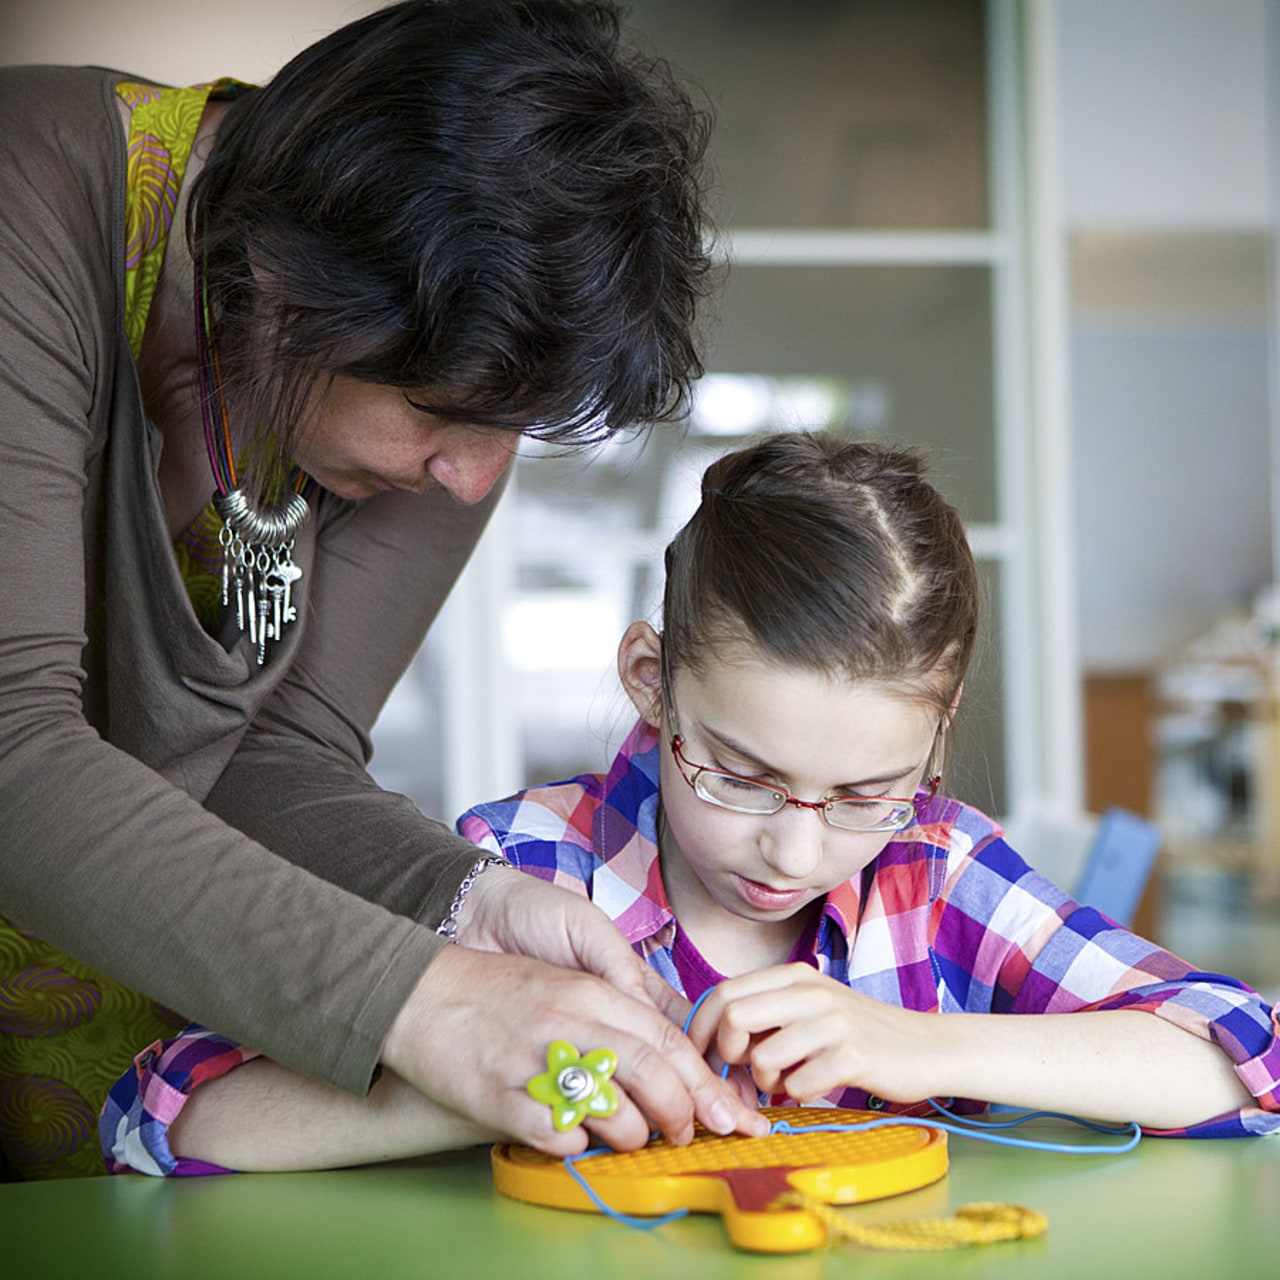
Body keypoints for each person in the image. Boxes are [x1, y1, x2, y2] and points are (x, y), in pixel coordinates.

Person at [0, 0, 768, 1182]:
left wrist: (463, 899)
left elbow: (275, 756)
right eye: (449, 418)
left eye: (515, 428)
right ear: (284, 278)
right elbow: (14, 753)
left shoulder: (451, 373)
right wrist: (421, 994)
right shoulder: (31, 199)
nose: (472, 480)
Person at [102, 432, 1280, 1176]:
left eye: (864, 791)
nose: (794, 847)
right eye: (740, 774)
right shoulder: (519, 867)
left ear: (936, 732)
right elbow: (166, 1116)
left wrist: (911, 1043)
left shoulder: (936, 872)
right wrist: (509, 1077)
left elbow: (1248, 1053)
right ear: (650, 683)